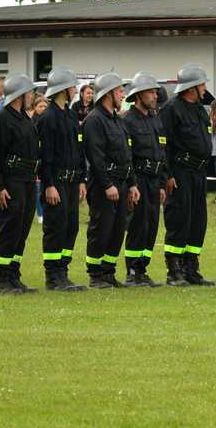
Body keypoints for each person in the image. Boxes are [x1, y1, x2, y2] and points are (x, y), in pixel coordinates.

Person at [83, 72, 140, 289]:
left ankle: (108, 272)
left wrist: (133, 183)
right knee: (101, 229)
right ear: (108, 93)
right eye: (119, 91)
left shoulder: (118, 120)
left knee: (118, 230)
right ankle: (95, 275)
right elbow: (95, 157)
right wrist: (107, 185)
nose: (123, 94)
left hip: (123, 182)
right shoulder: (94, 120)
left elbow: (127, 153)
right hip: (104, 185)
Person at [160, 64, 215, 286]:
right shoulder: (171, 109)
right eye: (202, 84)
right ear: (192, 87)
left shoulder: (200, 110)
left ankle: (191, 268)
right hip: (180, 172)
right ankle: (174, 270)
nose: (204, 88)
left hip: (198, 173)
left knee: (197, 221)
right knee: (179, 220)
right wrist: (168, 175)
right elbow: (164, 145)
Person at [37, 67, 88, 292]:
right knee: (55, 228)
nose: (75, 90)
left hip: (71, 182)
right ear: (63, 89)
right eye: (72, 86)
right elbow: (45, 155)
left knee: (71, 227)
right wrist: (48, 185)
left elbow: (78, 151)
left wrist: (81, 180)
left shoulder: (70, 115)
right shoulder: (48, 118)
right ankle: (53, 275)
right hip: (55, 183)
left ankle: (63, 271)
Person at [0, 74, 40, 295]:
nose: (31, 97)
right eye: (29, 93)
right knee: (9, 228)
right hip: (11, 181)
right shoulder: (1, 119)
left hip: (28, 180)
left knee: (22, 229)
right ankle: (1, 278)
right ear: (20, 94)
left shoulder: (25, 118)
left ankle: (13, 275)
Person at [122, 71, 166, 288]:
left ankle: (142, 269)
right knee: (138, 225)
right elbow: (126, 156)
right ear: (138, 95)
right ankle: (131, 271)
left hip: (154, 180)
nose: (155, 96)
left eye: (155, 92)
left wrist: (161, 182)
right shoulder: (127, 121)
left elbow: (161, 150)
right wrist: (131, 184)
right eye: (150, 92)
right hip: (138, 178)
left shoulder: (154, 119)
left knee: (152, 226)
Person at [29, 94, 48, 224]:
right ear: (34, 108)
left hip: (46, 158)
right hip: (35, 158)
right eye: (40, 106)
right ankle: (40, 213)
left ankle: (45, 211)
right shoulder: (31, 122)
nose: (43, 108)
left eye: (45, 106)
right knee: (37, 187)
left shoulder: (49, 120)